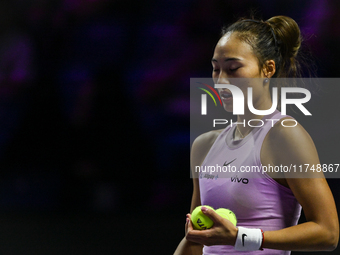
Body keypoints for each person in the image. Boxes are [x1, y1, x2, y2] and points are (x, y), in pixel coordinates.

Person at [174, 15, 339, 254]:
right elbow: (196, 239)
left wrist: (240, 237)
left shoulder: (285, 136)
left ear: (267, 69)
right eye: (215, 69)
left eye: (233, 68)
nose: (221, 81)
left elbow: (328, 232)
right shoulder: (203, 145)